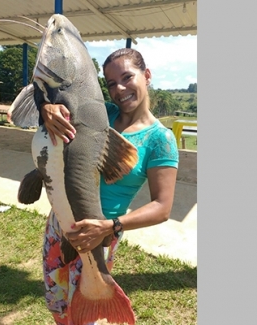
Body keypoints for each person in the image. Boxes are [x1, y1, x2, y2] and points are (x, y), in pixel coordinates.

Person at [39, 48, 180, 324]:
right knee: (58, 305)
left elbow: (162, 207)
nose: (119, 89)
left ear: (147, 75)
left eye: (127, 77)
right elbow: (54, 99)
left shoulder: (159, 139)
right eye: (111, 83)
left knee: (87, 312)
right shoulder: (101, 113)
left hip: (100, 234)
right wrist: (47, 108)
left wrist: (110, 227)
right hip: (59, 224)